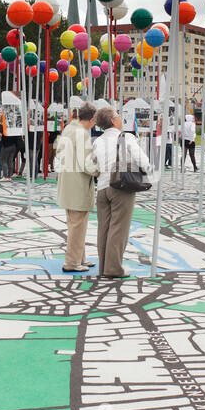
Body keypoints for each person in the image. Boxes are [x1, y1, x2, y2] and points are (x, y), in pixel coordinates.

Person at [88, 105, 153, 279]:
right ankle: (114, 267)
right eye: (117, 116)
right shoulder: (126, 138)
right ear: (112, 120)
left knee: (104, 229)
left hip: (102, 188)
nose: (120, 119)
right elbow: (143, 160)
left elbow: (90, 164)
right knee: (119, 228)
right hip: (120, 186)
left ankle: (104, 266)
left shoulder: (98, 141)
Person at [55, 104, 100, 272]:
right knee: (77, 225)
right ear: (92, 119)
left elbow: (59, 152)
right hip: (78, 185)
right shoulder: (82, 134)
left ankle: (79, 257)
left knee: (75, 224)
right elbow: (87, 163)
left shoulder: (69, 129)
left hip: (67, 182)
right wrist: (99, 171)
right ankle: (72, 262)